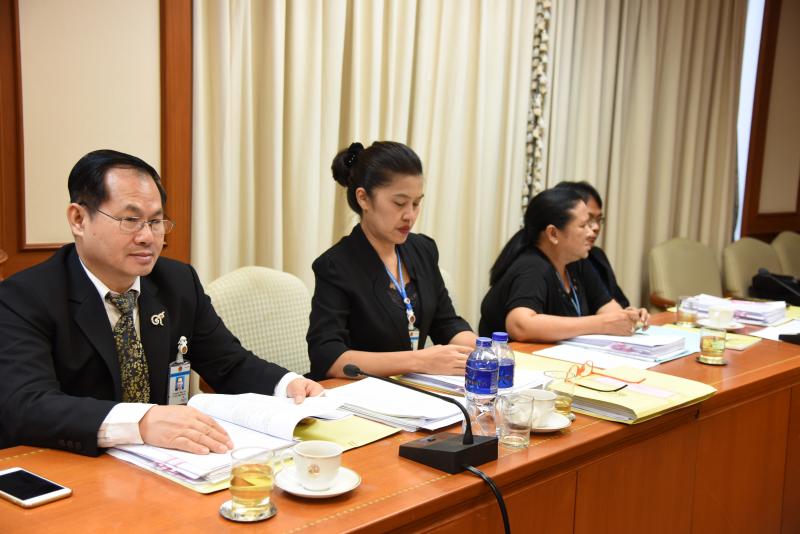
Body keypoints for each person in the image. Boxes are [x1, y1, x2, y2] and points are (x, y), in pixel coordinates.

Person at [0, 149, 323, 457]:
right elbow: (26, 405)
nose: (147, 237)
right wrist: (140, 422)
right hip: (73, 462)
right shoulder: (25, 296)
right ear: (79, 219)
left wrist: (289, 385)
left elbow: (228, 363)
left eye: (156, 222)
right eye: (130, 220)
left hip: (163, 462)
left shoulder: (177, 281)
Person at [307, 141, 476, 380]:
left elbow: (446, 323)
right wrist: (419, 361)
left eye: (416, 203)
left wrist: (483, 350)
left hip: (411, 388)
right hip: (358, 393)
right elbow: (327, 356)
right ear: (364, 199)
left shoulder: (422, 249)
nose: (410, 215)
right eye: (399, 203)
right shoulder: (336, 265)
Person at [479, 187, 649, 342]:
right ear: (553, 233)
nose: (591, 232)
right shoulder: (532, 266)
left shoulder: (577, 262)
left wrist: (627, 317)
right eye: (583, 225)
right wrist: (600, 324)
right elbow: (519, 325)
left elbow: (609, 310)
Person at [554, 180, 629, 307]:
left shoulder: (597, 256)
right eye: (588, 219)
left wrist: (631, 313)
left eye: (599, 220)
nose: (596, 227)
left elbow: (621, 303)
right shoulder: (544, 263)